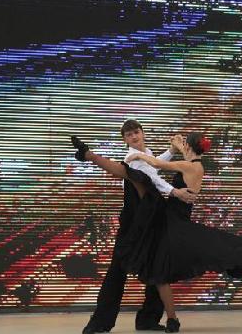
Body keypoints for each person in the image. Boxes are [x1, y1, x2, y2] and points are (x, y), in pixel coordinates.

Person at [71, 132, 242, 333]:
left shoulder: (190, 165)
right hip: (167, 217)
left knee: (166, 267)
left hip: (172, 222)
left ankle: (168, 318)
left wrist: (137, 155)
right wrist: (169, 151)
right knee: (159, 269)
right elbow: (154, 171)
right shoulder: (189, 164)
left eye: (183, 142)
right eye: (130, 134)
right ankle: (158, 319)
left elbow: (155, 165)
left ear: (188, 146)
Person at [81, 119, 196, 334]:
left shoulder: (145, 154)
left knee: (157, 269)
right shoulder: (131, 160)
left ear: (142, 133)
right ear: (125, 140)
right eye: (129, 135)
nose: (134, 137)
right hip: (133, 226)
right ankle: (99, 324)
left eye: (136, 132)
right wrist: (175, 192)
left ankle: (148, 320)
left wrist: (170, 151)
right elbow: (152, 176)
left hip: (150, 221)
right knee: (117, 273)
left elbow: (155, 163)